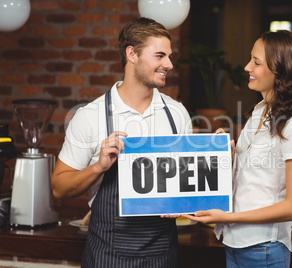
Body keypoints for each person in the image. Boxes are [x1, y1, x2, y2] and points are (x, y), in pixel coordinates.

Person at [51, 17, 192, 268]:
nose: (169, 64)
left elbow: (186, 188)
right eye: (160, 56)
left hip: (163, 253)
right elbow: (59, 189)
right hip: (107, 254)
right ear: (132, 54)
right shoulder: (90, 116)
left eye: (169, 56)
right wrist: (98, 167)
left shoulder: (176, 114)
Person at [183, 30, 292, 268]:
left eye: (256, 62)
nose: (247, 67)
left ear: (280, 70)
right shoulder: (259, 110)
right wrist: (229, 156)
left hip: (264, 248)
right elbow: (253, 180)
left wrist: (228, 217)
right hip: (234, 243)